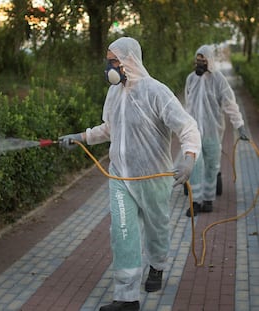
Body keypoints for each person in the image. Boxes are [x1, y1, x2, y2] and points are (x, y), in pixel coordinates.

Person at [59, 37, 201, 311]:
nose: (109, 67)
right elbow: (109, 129)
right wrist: (81, 137)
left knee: (157, 228)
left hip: (153, 177)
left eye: (114, 61)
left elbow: (188, 127)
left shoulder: (156, 92)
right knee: (122, 231)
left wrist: (188, 158)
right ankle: (127, 297)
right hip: (120, 177)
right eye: (108, 61)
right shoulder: (114, 93)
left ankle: (157, 266)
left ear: (129, 61)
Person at [183, 44, 249, 217]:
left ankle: (208, 200)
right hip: (194, 132)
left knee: (212, 166)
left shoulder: (219, 80)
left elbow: (230, 104)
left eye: (203, 60)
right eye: (198, 60)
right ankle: (195, 201)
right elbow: (187, 105)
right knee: (195, 166)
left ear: (210, 61)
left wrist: (239, 125)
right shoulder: (191, 79)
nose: (199, 63)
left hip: (213, 131)